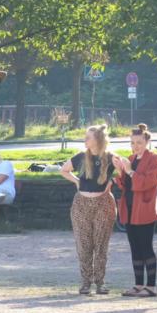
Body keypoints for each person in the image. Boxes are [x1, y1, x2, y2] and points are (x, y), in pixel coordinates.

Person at [60, 124, 119, 295]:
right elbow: (64, 170)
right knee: (84, 244)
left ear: (98, 140)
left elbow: (125, 170)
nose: (85, 140)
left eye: (88, 137)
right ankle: (86, 282)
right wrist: (77, 181)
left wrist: (112, 182)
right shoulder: (80, 157)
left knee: (101, 245)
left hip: (103, 203)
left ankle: (100, 282)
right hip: (82, 204)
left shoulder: (110, 157)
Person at [113, 124, 157, 297]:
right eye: (132, 142)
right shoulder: (130, 158)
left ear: (147, 141)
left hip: (145, 210)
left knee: (146, 247)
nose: (135, 146)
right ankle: (138, 285)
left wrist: (129, 171)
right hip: (130, 209)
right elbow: (124, 185)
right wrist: (120, 171)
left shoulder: (153, 159)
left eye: (139, 142)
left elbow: (148, 183)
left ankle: (152, 286)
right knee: (135, 248)